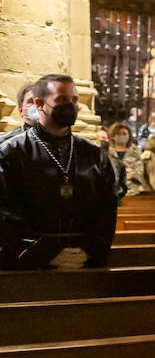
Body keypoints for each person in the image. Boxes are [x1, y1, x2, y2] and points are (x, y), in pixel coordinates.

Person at [0, 74, 118, 270]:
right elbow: (4, 213)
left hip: (85, 262)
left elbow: (106, 209)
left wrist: (89, 251)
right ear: (39, 104)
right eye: (62, 100)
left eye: (74, 100)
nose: (71, 106)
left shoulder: (94, 155)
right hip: (30, 266)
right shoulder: (11, 153)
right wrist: (46, 254)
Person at [107, 121, 145, 198]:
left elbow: (140, 174)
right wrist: (125, 171)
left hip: (132, 191)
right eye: (118, 134)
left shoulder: (135, 153)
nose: (122, 136)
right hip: (111, 192)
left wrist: (129, 174)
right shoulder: (108, 154)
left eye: (124, 134)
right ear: (113, 137)